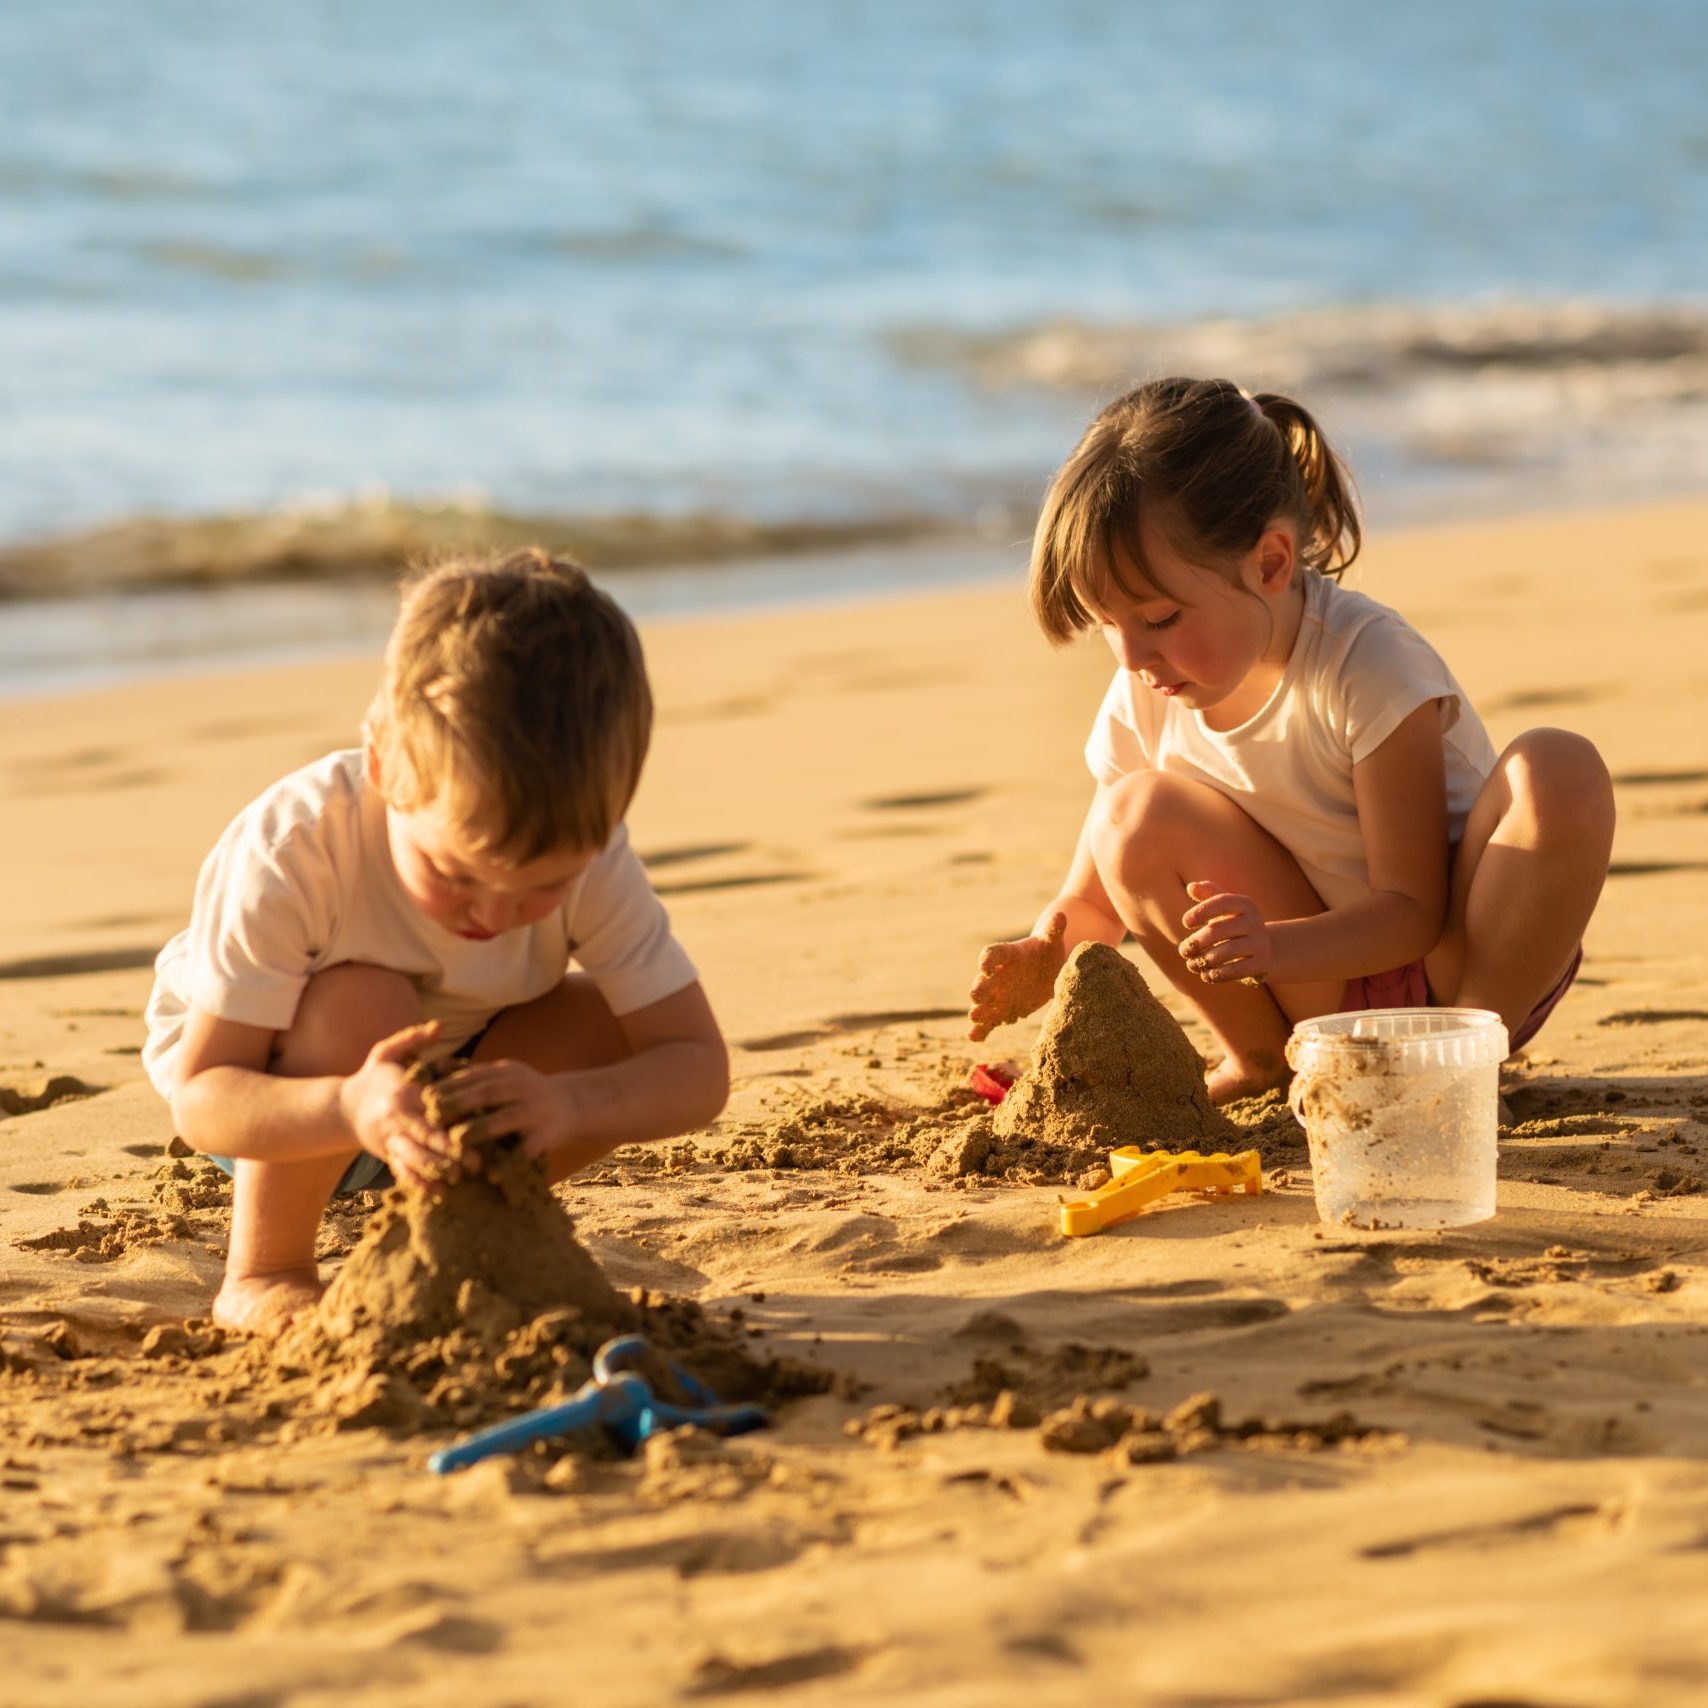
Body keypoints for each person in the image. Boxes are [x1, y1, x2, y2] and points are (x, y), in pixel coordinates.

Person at [967, 377, 1614, 1103]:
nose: (1130, 657)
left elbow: (1412, 909)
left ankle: (1466, 1070)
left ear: (1272, 563)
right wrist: (1045, 950)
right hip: (1318, 999)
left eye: (1157, 618)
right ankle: (1260, 1061)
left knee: (1559, 766)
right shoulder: (1144, 694)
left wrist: (1276, 946)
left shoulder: (1367, 664)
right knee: (1128, 818)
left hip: (1457, 968)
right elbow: (1094, 899)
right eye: (1106, 626)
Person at [143, 549, 728, 1331]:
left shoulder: (592, 854)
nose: (493, 915)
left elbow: (697, 1066)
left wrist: (570, 1101)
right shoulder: (298, 846)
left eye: (543, 888)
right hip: (282, 1098)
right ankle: (266, 1270)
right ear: (386, 766)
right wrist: (348, 1104)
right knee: (362, 997)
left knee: (612, 1025)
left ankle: (450, 1225)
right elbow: (204, 1098)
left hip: (446, 1091)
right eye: (455, 875)